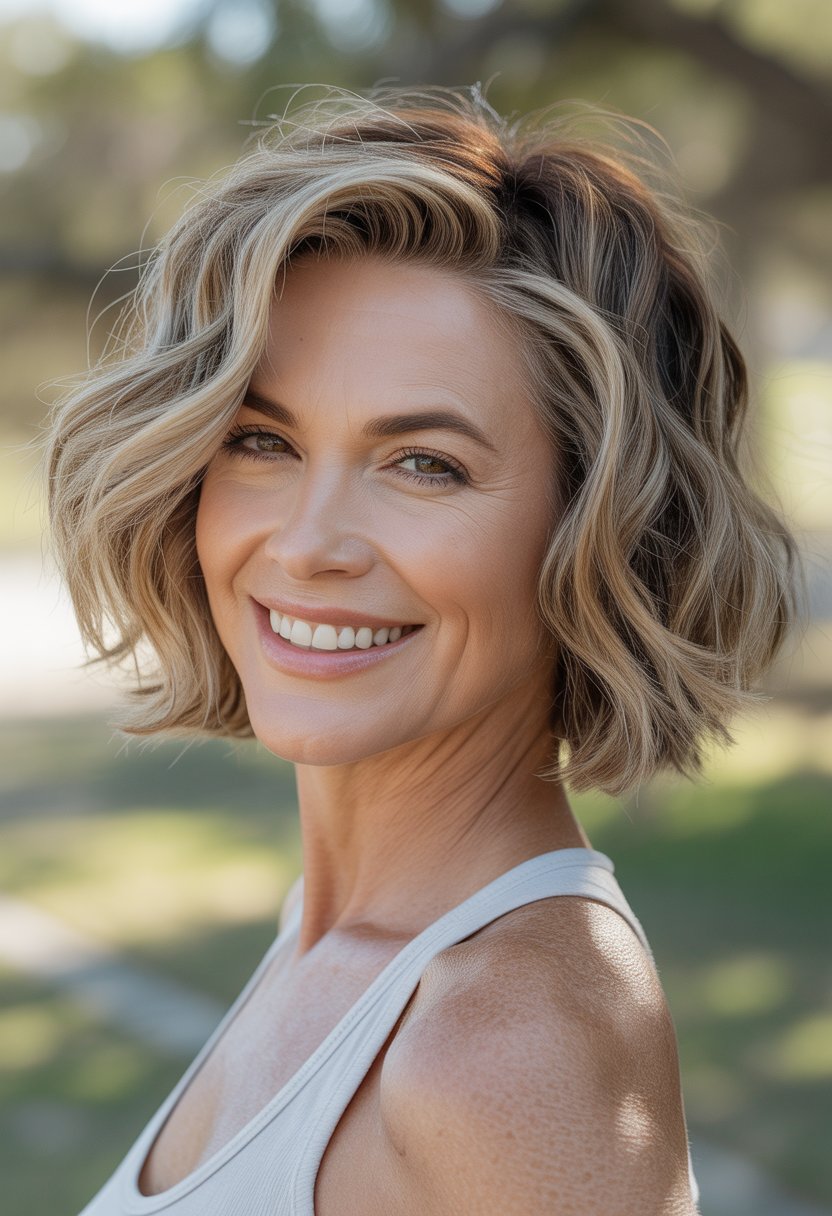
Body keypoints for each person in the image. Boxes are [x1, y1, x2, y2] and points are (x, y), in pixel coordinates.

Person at [46, 82, 798, 1215]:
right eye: (263, 439)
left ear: (594, 531)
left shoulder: (505, 1047)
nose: (306, 545)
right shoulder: (335, 932)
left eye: (424, 463)